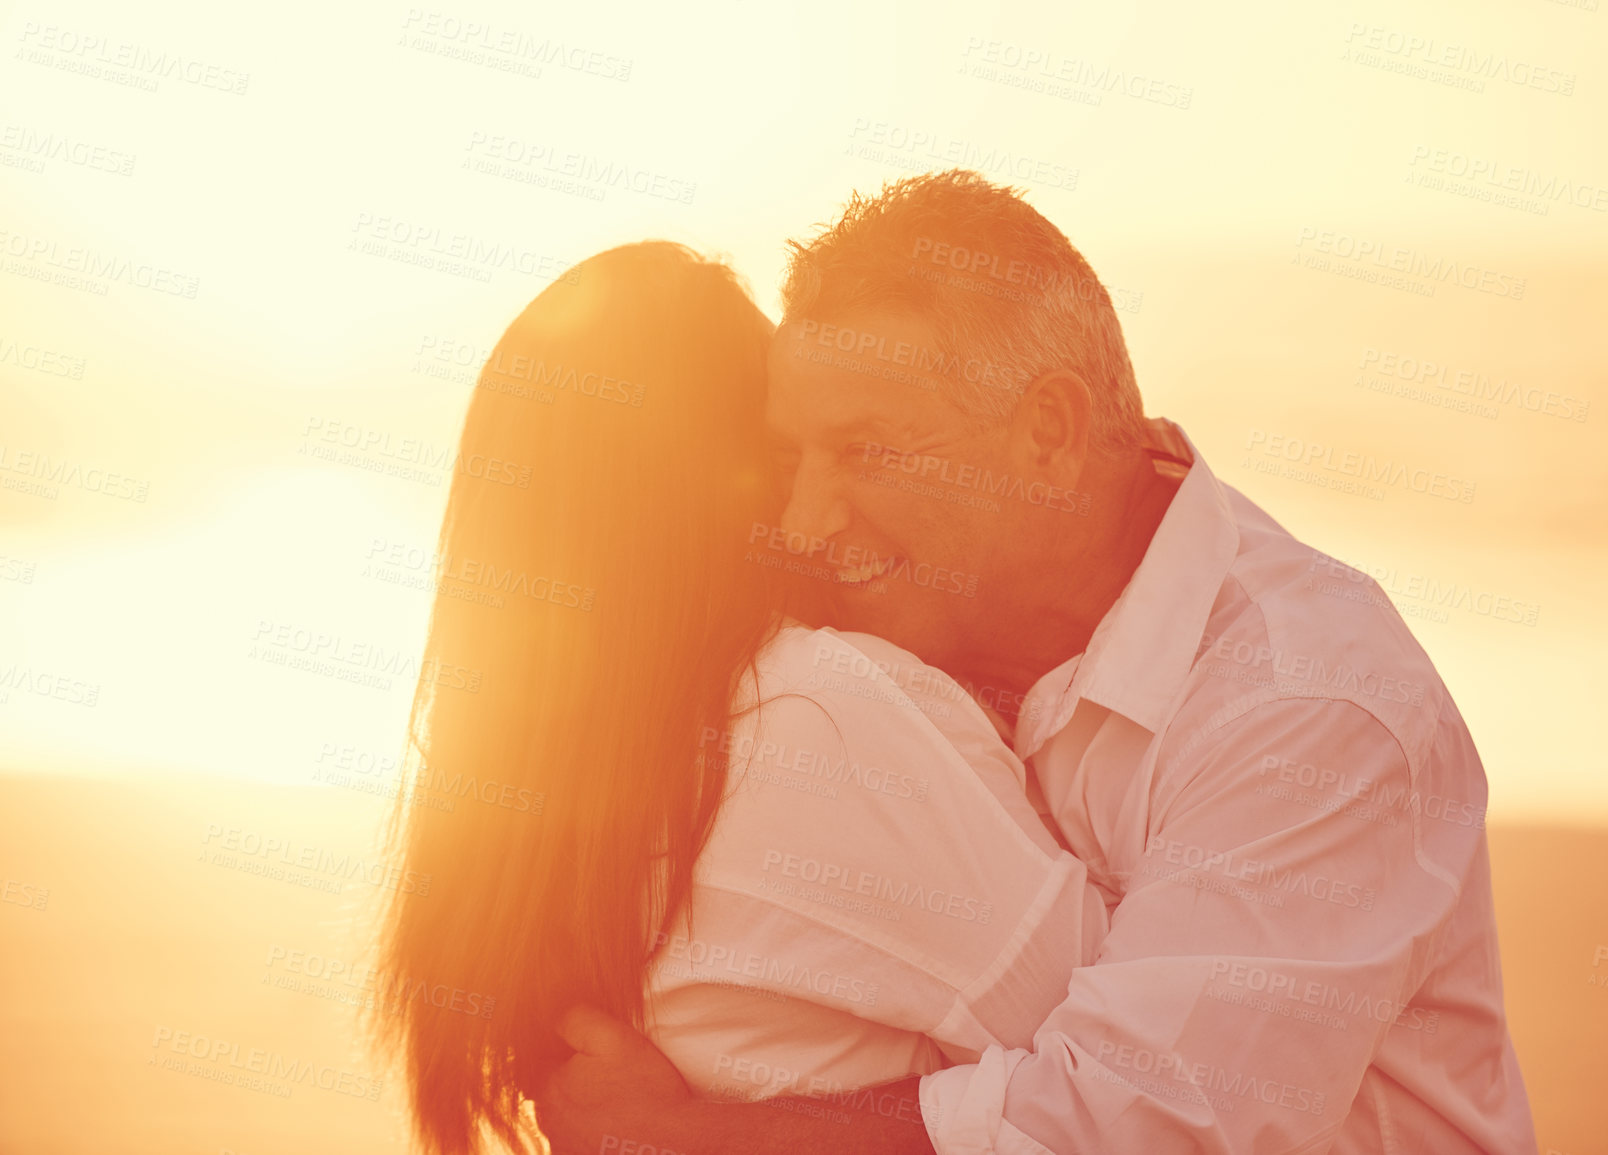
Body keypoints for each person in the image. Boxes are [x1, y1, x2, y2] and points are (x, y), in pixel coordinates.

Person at [534, 172, 1540, 1154]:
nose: (803, 522)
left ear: (1048, 435)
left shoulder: (1312, 705)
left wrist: (678, 1139)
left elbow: (1132, 1130)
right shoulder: (917, 643)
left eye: (868, 451)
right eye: (795, 458)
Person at [370, 240, 1108, 1155]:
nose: (812, 501)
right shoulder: (811, 715)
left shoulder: (562, 792)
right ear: (716, 472)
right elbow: (1133, 1071)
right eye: (787, 448)